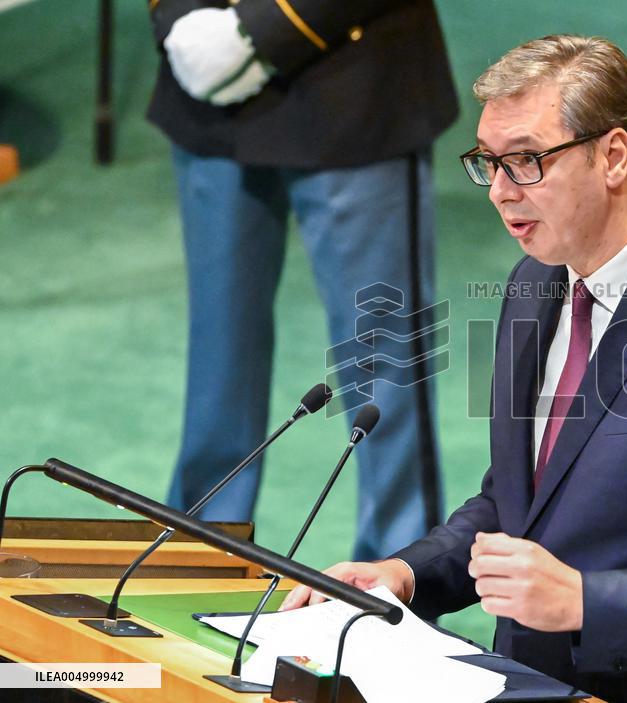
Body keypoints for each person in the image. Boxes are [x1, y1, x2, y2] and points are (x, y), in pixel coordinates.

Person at [282, 35, 627, 702]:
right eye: (489, 163)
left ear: (613, 155)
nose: (500, 192)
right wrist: (407, 572)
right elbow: (517, 502)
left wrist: (585, 601)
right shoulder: (535, 282)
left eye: (527, 161)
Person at [145, 0, 458, 559]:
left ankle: (398, 584)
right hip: (208, 92)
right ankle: (196, 561)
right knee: (218, 349)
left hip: (354, 82)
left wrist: (259, 33)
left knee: (380, 358)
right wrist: (184, 22)